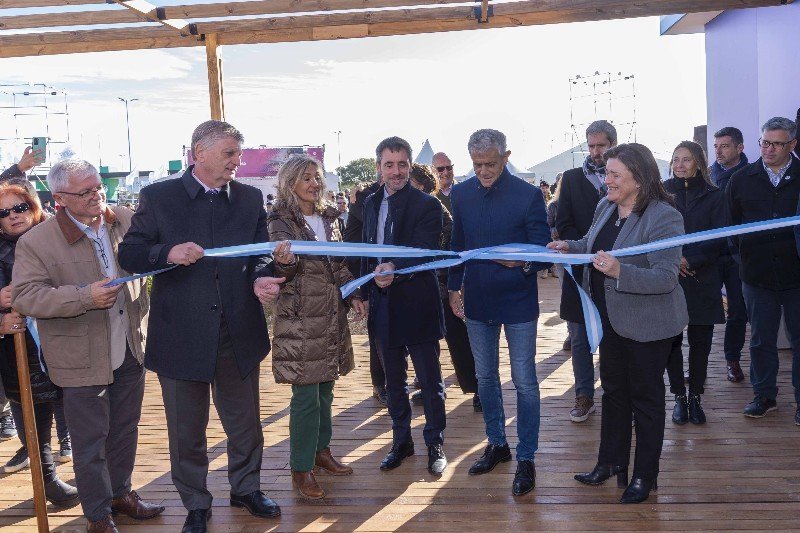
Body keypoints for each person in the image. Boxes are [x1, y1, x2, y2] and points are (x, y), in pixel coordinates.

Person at [118, 120, 286, 533]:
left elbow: (261, 254)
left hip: (237, 334)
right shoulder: (158, 197)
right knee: (186, 432)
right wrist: (167, 252)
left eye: (238, 154)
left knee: (245, 426)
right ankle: (196, 503)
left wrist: (262, 278)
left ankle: (246, 489)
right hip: (181, 336)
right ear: (199, 153)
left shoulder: (249, 198)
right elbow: (130, 254)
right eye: (229, 154)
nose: (237, 162)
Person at [12, 159, 164, 533]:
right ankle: (97, 514)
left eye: (98, 187)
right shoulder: (36, 241)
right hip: (78, 356)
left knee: (125, 429)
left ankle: (121, 494)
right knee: (89, 441)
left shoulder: (124, 220)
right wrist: (83, 297)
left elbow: (157, 252)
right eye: (85, 191)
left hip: (131, 346)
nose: (97, 195)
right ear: (60, 198)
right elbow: (26, 297)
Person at [550, 143, 688, 504]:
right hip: (608, 319)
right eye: (607, 173)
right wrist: (570, 247)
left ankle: (644, 475)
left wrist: (619, 271)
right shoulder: (606, 206)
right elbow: (591, 244)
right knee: (613, 392)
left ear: (638, 178)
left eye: (614, 174)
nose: (606, 180)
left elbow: (665, 277)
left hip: (649, 325)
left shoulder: (664, 217)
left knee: (646, 399)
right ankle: (610, 462)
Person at [449, 129, 550, 497]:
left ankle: (527, 457)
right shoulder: (460, 194)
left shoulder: (528, 195)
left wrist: (522, 262)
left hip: (519, 300)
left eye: (490, 164)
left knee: (524, 380)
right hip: (477, 299)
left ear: (506, 158)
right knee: (485, 377)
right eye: (477, 165)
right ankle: (497, 444)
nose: (483, 171)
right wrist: (453, 287)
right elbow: (457, 244)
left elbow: (543, 250)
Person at [267, 155, 366, 499]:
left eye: (317, 177)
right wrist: (285, 262)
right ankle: (301, 467)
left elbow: (337, 264)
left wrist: (354, 293)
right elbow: (281, 269)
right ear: (290, 182)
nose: (314, 183)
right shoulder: (280, 220)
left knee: (326, 389)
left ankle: (322, 452)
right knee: (306, 396)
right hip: (301, 318)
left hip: (330, 315)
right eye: (306, 178)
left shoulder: (329, 218)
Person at [362, 136, 447, 476]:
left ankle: (435, 442)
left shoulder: (428, 205)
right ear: (378, 167)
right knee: (393, 383)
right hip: (382, 305)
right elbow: (365, 249)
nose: (396, 172)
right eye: (389, 165)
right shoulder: (370, 203)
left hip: (418, 303)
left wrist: (393, 270)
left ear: (410, 166)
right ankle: (401, 442)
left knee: (430, 381)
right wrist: (362, 291)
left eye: (401, 165)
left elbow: (423, 251)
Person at [0, 183, 78, 504]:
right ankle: (47, 481)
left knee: (80, 413)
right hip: (19, 350)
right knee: (33, 423)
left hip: (67, 341)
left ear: (33, 207)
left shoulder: (59, 238)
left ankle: (99, 479)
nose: (13, 216)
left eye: (19, 208)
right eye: (4, 212)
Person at [726, 117, 800, 425]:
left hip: (797, 277)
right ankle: (764, 396)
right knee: (760, 339)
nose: (768, 149)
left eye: (777, 144)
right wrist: (743, 258)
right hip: (756, 276)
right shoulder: (741, 179)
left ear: (792, 145)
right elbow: (730, 227)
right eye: (765, 142)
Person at [555, 120, 617, 423]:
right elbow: (563, 222)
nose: (595, 152)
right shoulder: (571, 178)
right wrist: (582, 250)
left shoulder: (626, 177)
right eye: (591, 146)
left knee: (614, 338)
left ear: (613, 145)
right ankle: (583, 395)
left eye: (600, 146)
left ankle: (616, 395)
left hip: (615, 273)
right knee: (579, 338)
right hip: (580, 273)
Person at [408, 163, 480, 412]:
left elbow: (445, 247)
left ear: (422, 186)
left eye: (412, 183)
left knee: (457, 338)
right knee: (425, 340)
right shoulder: (406, 209)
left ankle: (477, 387)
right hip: (416, 283)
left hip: (442, 282)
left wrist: (453, 286)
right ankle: (431, 385)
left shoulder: (434, 208)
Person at [663, 141, 725, 425]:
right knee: (672, 341)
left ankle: (696, 396)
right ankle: (678, 396)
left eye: (686, 159)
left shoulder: (715, 195)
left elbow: (720, 237)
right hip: (670, 277)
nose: (680, 165)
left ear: (699, 163)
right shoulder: (662, 193)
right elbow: (655, 233)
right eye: (676, 159)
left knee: (701, 342)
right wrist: (675, 260)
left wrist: (693, 260)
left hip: (703, 276)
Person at [710, 127, 750, 382]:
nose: (719, 151)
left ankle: (732, 359)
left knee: (738, 310)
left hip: (737, 255)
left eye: (724, 146)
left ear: (739, 147)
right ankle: (697, 364)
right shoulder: (705, 176)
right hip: (708, 255)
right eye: (716, 146)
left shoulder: (752, 176)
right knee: (702, 310)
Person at [343, 175, 387, 406]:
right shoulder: (363, 197)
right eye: (387, 166)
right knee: (377, 332)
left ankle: (391, 381)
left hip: (384, 269)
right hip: (362, 271)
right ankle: (380, 385)